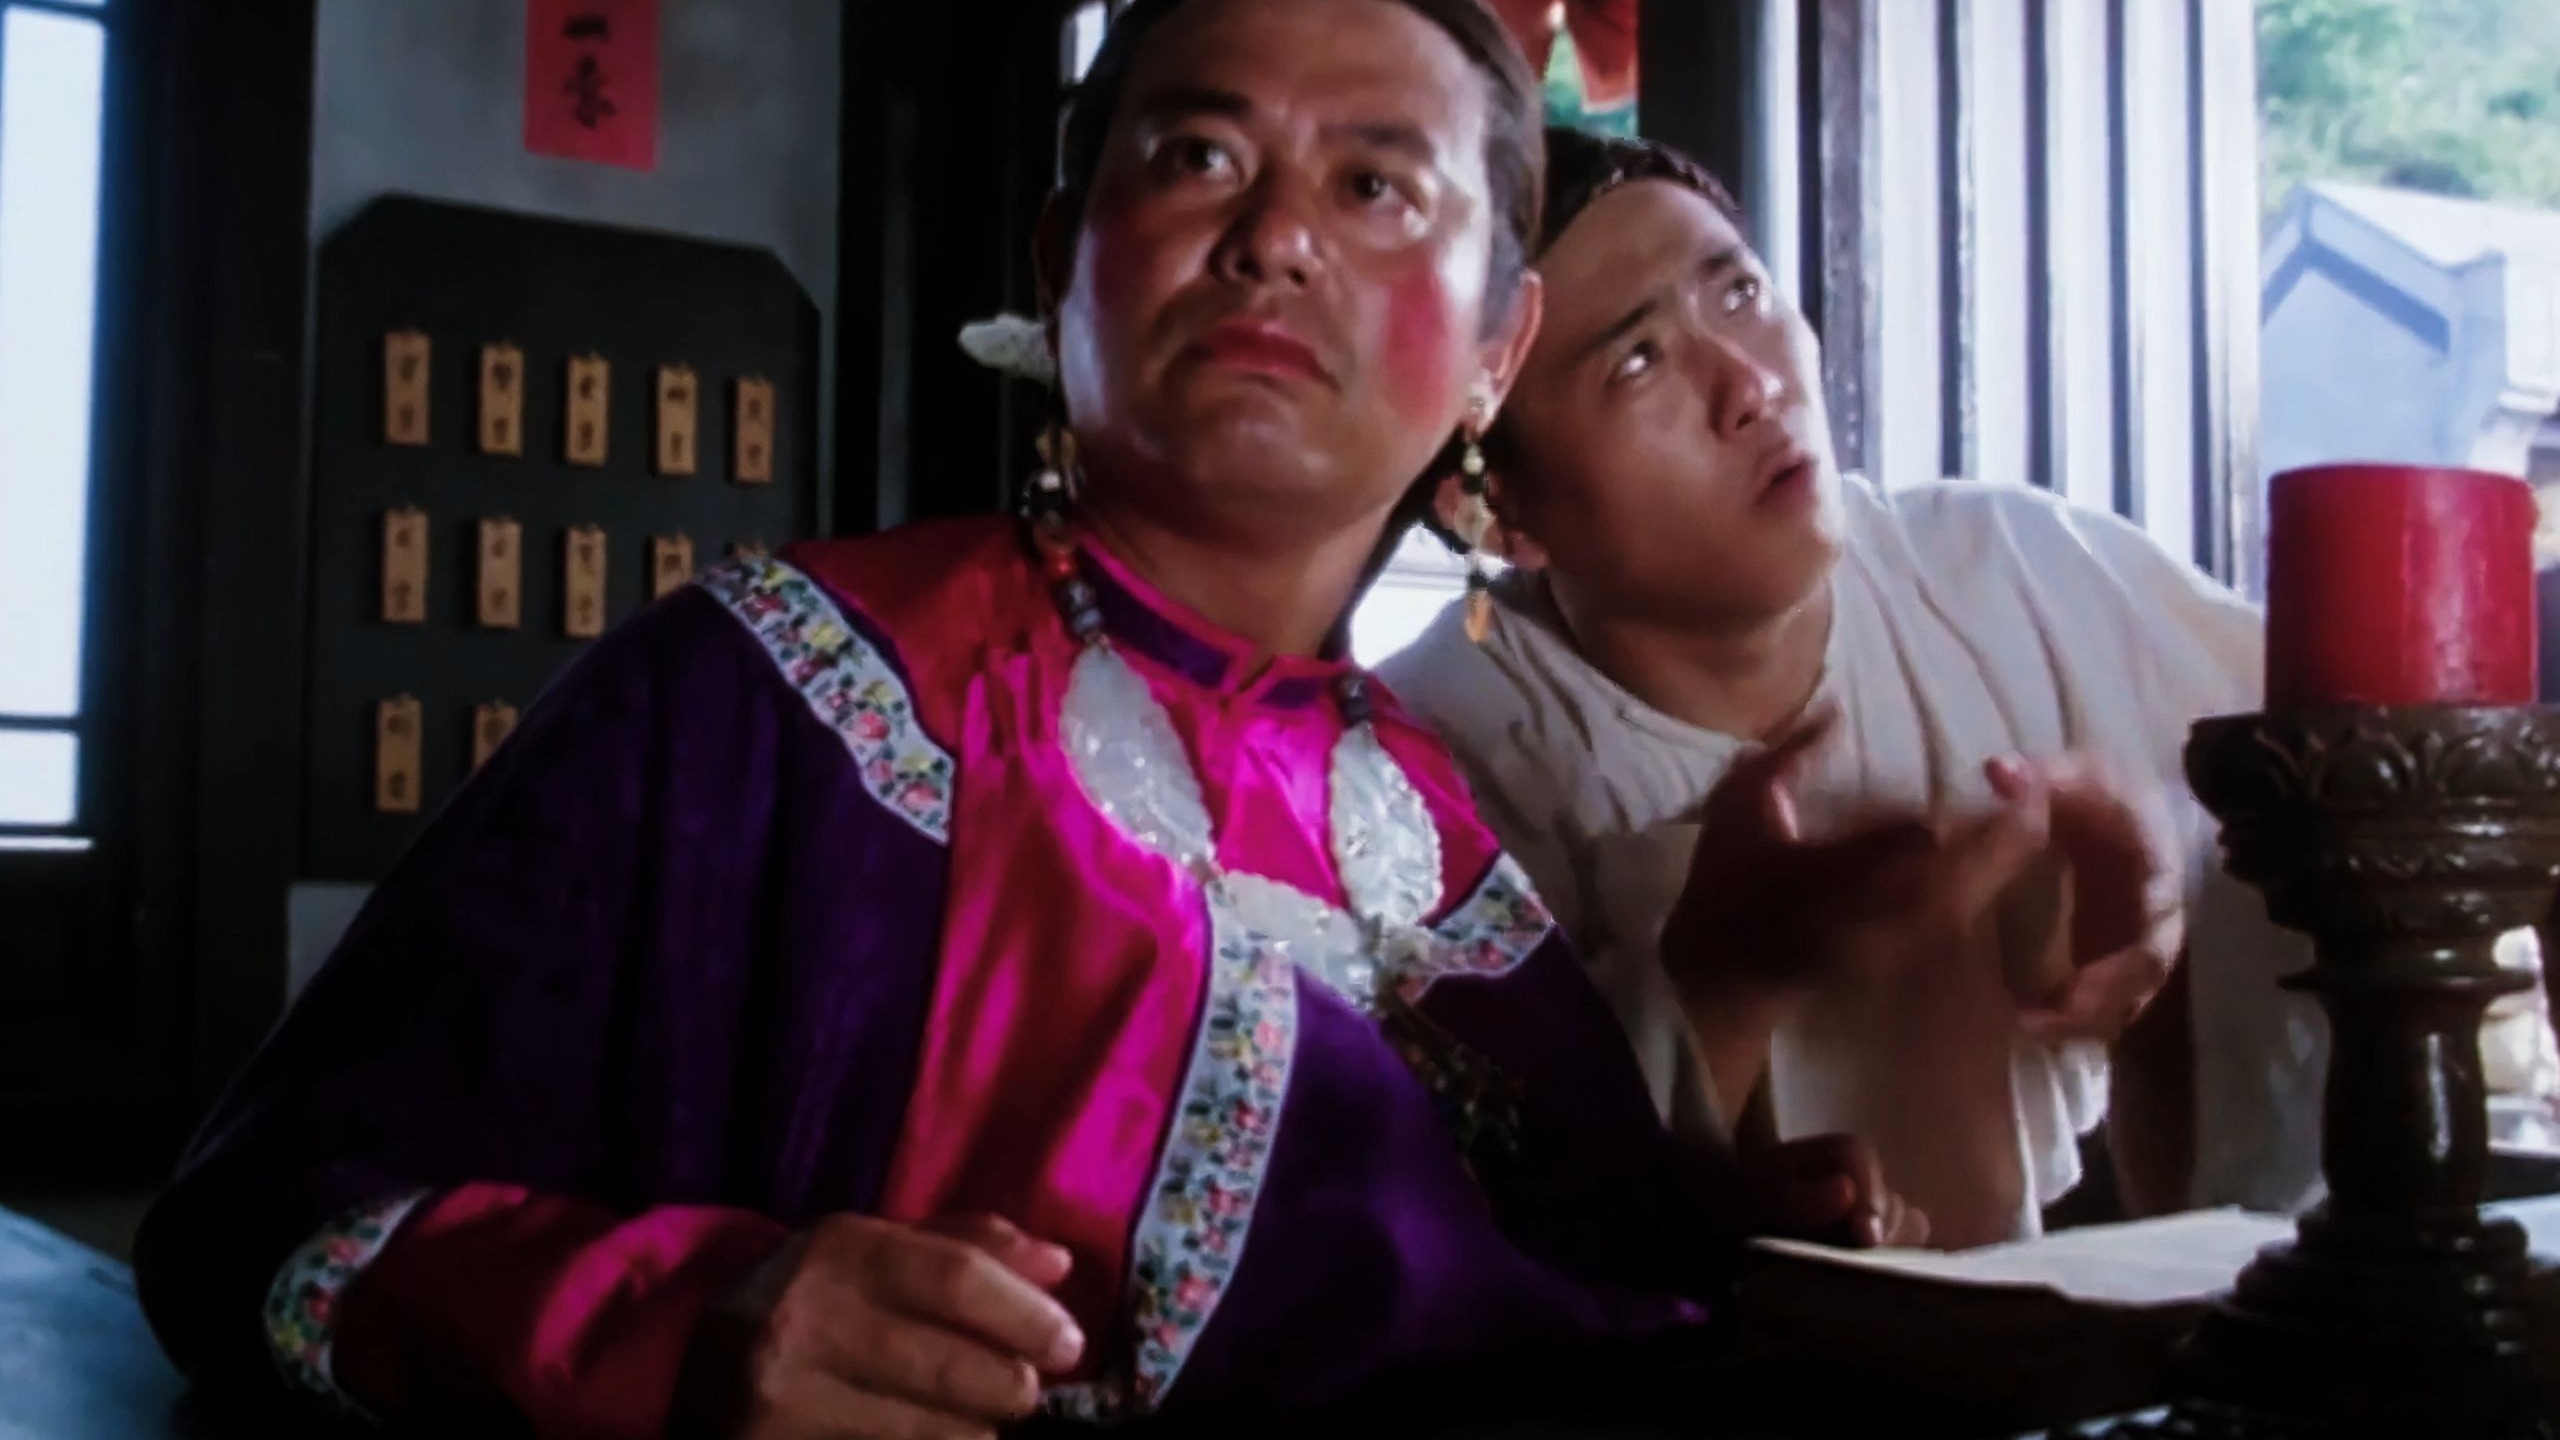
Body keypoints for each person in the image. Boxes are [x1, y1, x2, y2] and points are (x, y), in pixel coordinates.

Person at [132, 8, 1961, 1439]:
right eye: (1199, 154)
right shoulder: (768, 695)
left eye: (1378, 188)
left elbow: (1563, 1300)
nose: (1273, 240)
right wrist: (677, 1327)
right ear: (1064, 253)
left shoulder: (1437, 828)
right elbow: (259, 1237)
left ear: (1495, 351)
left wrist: (1733, 1237)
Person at [1377, 128, 2332, 1251]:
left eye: (1739, 294)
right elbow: (1448, 1225)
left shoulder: (2015, 570)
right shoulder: (1421, 764)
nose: (1750, 383)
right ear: (1492, 512)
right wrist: (1721, 990)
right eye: (1637, 363)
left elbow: (2350, 783)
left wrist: (2167, 904)